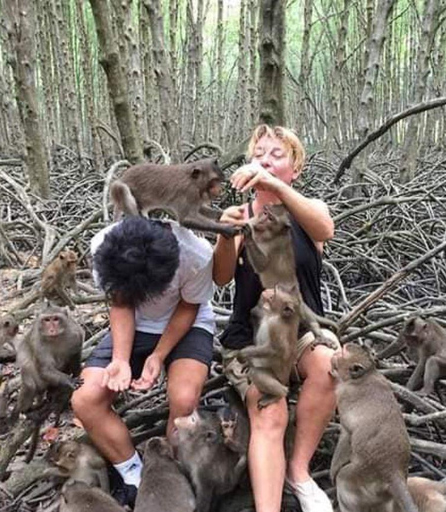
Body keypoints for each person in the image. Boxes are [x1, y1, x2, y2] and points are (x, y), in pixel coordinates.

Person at [213, 125, 338, 512]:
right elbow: (219, 277)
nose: (265, 160)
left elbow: (326, 229)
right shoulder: (240, 216)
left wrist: (276, 189)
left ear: (295, 168)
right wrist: (223, 234)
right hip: (251, 341)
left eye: (277, 155)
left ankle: (297, 473)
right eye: (259, 154)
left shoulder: (308, 211)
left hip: (299, 331)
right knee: (271, 409)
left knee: (331, 363)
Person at [71, 216, 216, 506]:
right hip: (134, 325)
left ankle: (174, 477)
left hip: (189, 322)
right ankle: (134, 475)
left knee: (184, 401)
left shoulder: (196, 255)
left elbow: (189, 307)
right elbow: (121, 303)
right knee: (86, 399)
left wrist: (158, 356)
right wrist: (121, 360)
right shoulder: (105, 246)